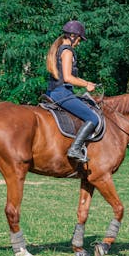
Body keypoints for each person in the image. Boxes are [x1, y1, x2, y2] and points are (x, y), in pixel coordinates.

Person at [46, 20, 99, 163]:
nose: (79, 42)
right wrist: (86, 84)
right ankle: (75, 149)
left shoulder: (59, 49)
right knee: (93, 118)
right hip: (62, 93)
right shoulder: (67, 51)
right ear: (73, 36)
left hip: (53, 92)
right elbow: (68, 78)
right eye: (80, 39)